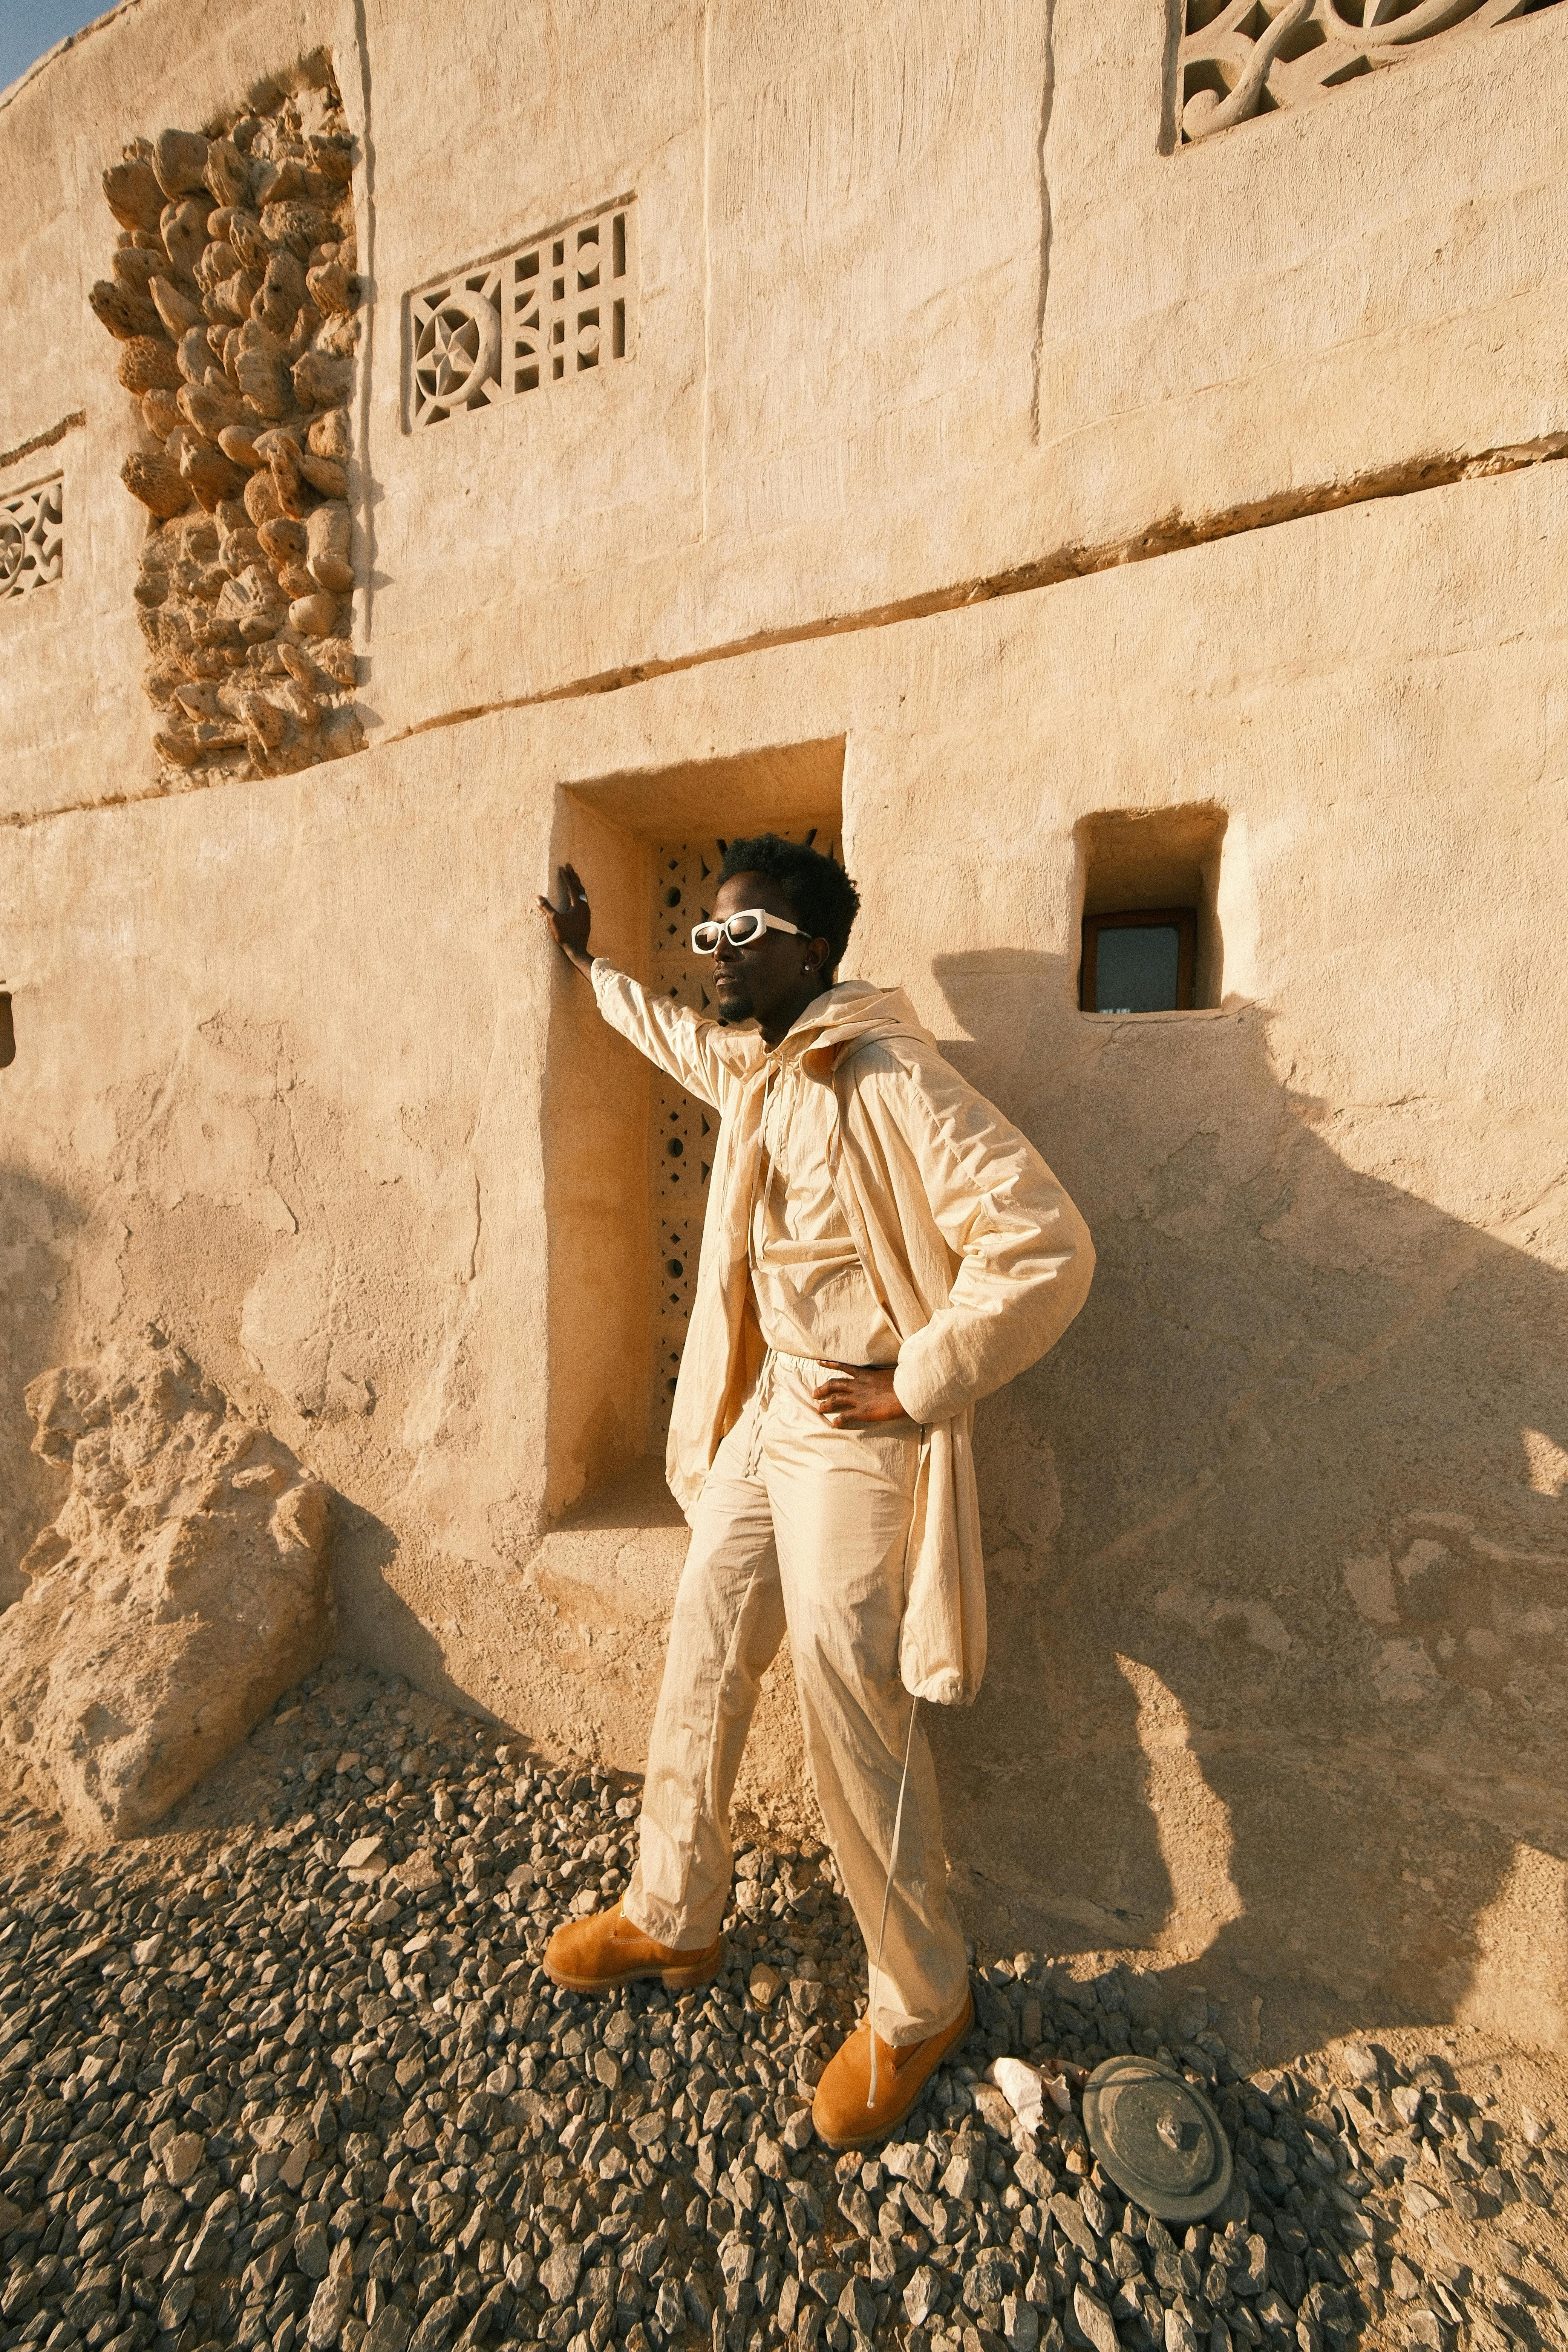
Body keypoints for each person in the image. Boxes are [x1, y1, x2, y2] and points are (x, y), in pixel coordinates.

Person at [534, 835, 1093, 2149]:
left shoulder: (889, 1075)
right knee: (706, 1640)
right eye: (710, 937)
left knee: (853, 1691)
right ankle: (673, 1913)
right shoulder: (760, 1063)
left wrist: (922, 1380)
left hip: (860, 1421)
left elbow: (1045, 1243)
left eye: (747, 937)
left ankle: (921, 2000)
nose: (718, 956)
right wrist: (589, 967)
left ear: (814, 952)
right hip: (770, 1408)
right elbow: (674, 1036)